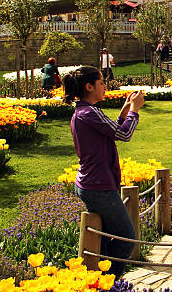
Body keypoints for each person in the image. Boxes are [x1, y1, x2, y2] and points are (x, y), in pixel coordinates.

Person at [63, 66, 145, 280]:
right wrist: (135, 110)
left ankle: (100, 278)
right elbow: (124, 134)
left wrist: (126, 110)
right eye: (101, 83)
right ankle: (110, 281)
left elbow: (112, 132)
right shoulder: (88, 113)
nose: (105, 87)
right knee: (127, 237)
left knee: (107, 237)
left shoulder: (86, 112)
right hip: (98, 187)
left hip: (94, 183)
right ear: (89, 87)